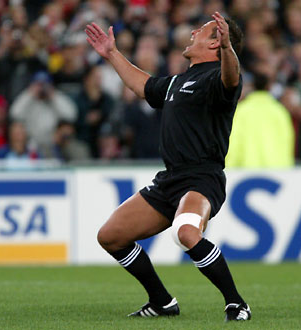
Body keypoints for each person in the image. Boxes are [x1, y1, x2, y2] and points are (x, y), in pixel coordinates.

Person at [85, 11, 250, 321]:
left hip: (202, 177)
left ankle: (237, 303)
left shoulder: (217, 78)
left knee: (186, 232)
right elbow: (143, 86)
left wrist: (229, 49)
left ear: (216, 43)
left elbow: (232, 78)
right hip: (170, 180)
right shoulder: (178, 81)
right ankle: (162, 302)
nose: (192, 34)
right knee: (110, 236)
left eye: (201, 31)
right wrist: (111, 54)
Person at [225, 72, 295, 168]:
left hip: (246, 171)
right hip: (277, 171)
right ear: (269, 87)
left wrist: (230, 168)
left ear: (252, 86)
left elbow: (234, 142)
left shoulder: (241, 111)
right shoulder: (280, 111)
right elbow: (288, 141)